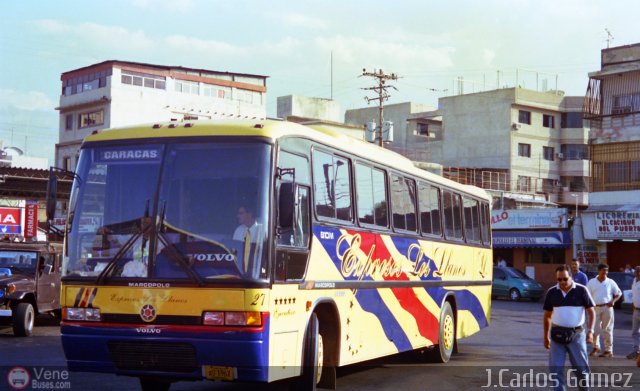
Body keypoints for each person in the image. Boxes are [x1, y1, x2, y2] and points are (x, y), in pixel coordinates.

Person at [543, 265, 595, 391]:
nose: (562, 282)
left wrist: (590, 331)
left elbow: (591, 312)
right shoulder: (552, 292)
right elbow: (547, 316)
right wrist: (546, 336)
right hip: (557, 336)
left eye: (565, 279)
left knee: (581, 369)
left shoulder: (582, 290)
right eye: (559, 280)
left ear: (571, 277)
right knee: (556, 369)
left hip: (576, 335)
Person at [586, 263, 622, 358]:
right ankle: (596, 347)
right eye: (603, 270)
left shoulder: (610, 282)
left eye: (606, 271)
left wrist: (613, 301)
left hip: (607, 307)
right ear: (599, 271)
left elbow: (618, 293)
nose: (605, 273)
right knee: (594, 329)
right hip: (595, 308)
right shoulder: (591, 282)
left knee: (608, 329)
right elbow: (587, 295)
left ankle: (608, 350)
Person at [628, 266, 640, 360]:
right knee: (635, 332)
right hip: (636, 310)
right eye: (636, 271)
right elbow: (634, 295)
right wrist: (633, 307)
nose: (638, 273)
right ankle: (636, 351)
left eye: (639, 271)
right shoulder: (634, 281)